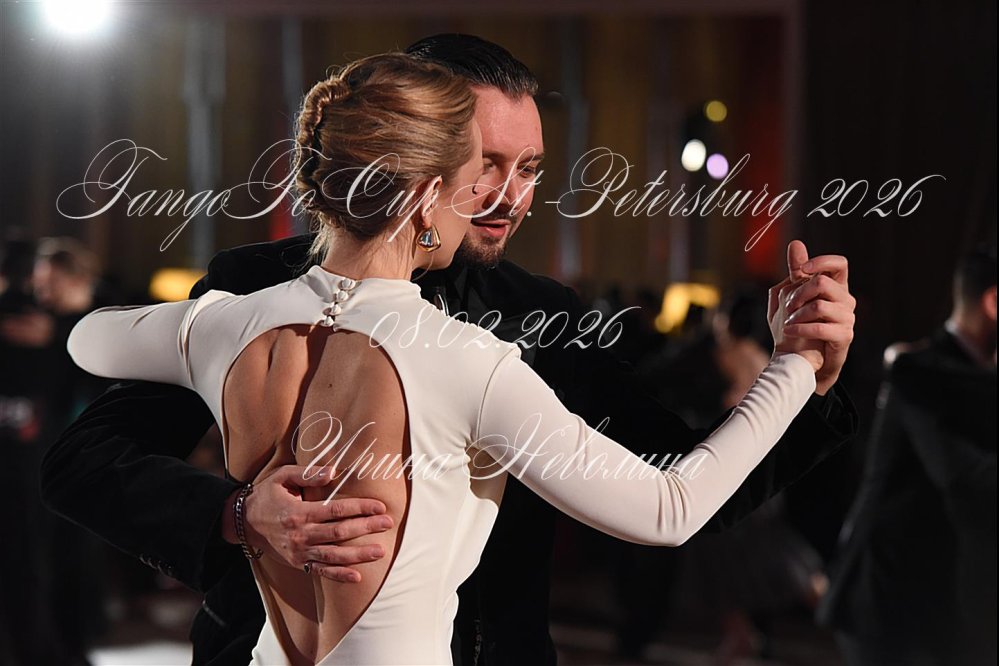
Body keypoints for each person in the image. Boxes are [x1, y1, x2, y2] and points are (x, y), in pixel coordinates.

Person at [42, 35, 859, 665]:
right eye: (486, 164)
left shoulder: (547, 318)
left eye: (530, 167)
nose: (510, 195)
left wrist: (810, 382)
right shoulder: (249, 286)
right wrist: (238, 515)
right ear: (420, 164)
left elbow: (679, 484)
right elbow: (83, 461)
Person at [818, 246, 997, 666]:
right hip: (888, 603)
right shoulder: (919, 371)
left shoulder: (976, 376)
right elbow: (962, 477)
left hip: (950, 604)